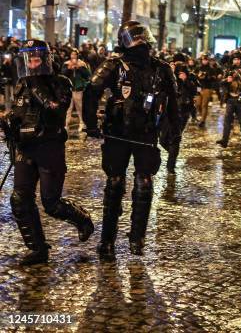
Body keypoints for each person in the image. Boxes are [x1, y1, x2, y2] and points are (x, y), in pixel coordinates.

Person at [83, 20, 179, 260]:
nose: (141, 42)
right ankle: (107, 240)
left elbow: (173, 103)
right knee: (114, 184)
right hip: (118, 133)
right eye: (135, 38)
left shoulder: (161, 68)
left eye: (142, 37)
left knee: (144, 185)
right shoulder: (114, 65)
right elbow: (91, 90)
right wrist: (92, 125)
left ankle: (137, 238)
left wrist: (173, 132)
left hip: (146, 133)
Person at [2, 39, 94, 265]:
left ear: (44, 60)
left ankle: (82, 220)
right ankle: (38, 249)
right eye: (28, 59)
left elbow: (56, 109)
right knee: (20, 199)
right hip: (25, 149)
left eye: (36, 59)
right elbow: (18, 112)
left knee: (51, 203)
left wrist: (37, 87)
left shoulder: (60, 82)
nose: (32, 64)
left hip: (49, 148)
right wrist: (8, 123)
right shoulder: (22, 83)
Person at [160, 60, 197, 173]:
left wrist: (185, 80)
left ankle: (171, 165)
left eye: (173, 66)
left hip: (183, 112)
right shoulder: (168, 78)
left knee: (175, 138)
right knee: (162, 139)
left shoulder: (189, 78)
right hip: (169, 110)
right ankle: (172, 154)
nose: (171, 68)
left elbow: (195, 90)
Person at [216, 49, 241, 148]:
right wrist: (226, 80)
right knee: (227, 120)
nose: (236, 61)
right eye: (234, 59)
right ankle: (224, 140)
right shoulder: (229, 70)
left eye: (238, 59)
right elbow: (221, 83)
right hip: (230, 98)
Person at [62, 49, 91, 132]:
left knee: (80, 108)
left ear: (77, 55)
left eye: (75, 54)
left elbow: (87, 76)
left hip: (78, 88)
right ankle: (66, 125)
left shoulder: (82, 64)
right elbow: (62, 74)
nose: (73, 56)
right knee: (68, 108)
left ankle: (82, 123)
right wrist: (69, 68)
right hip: (69, 89)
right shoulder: (66, 63)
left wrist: (79, 68)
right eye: (72, 54)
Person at [195, 54, 221, 128]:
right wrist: (198, 76)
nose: (204, 61)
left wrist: (207, 76)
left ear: (208, 60)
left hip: (207, 88)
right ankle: (202, 115)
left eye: (206, 60)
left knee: (204, 104)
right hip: (199, 87)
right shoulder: (198, 68)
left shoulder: (211, 69)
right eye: (203, 60)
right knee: (197, 104)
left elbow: (214, 79)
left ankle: (203, 120)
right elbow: (194, 76)